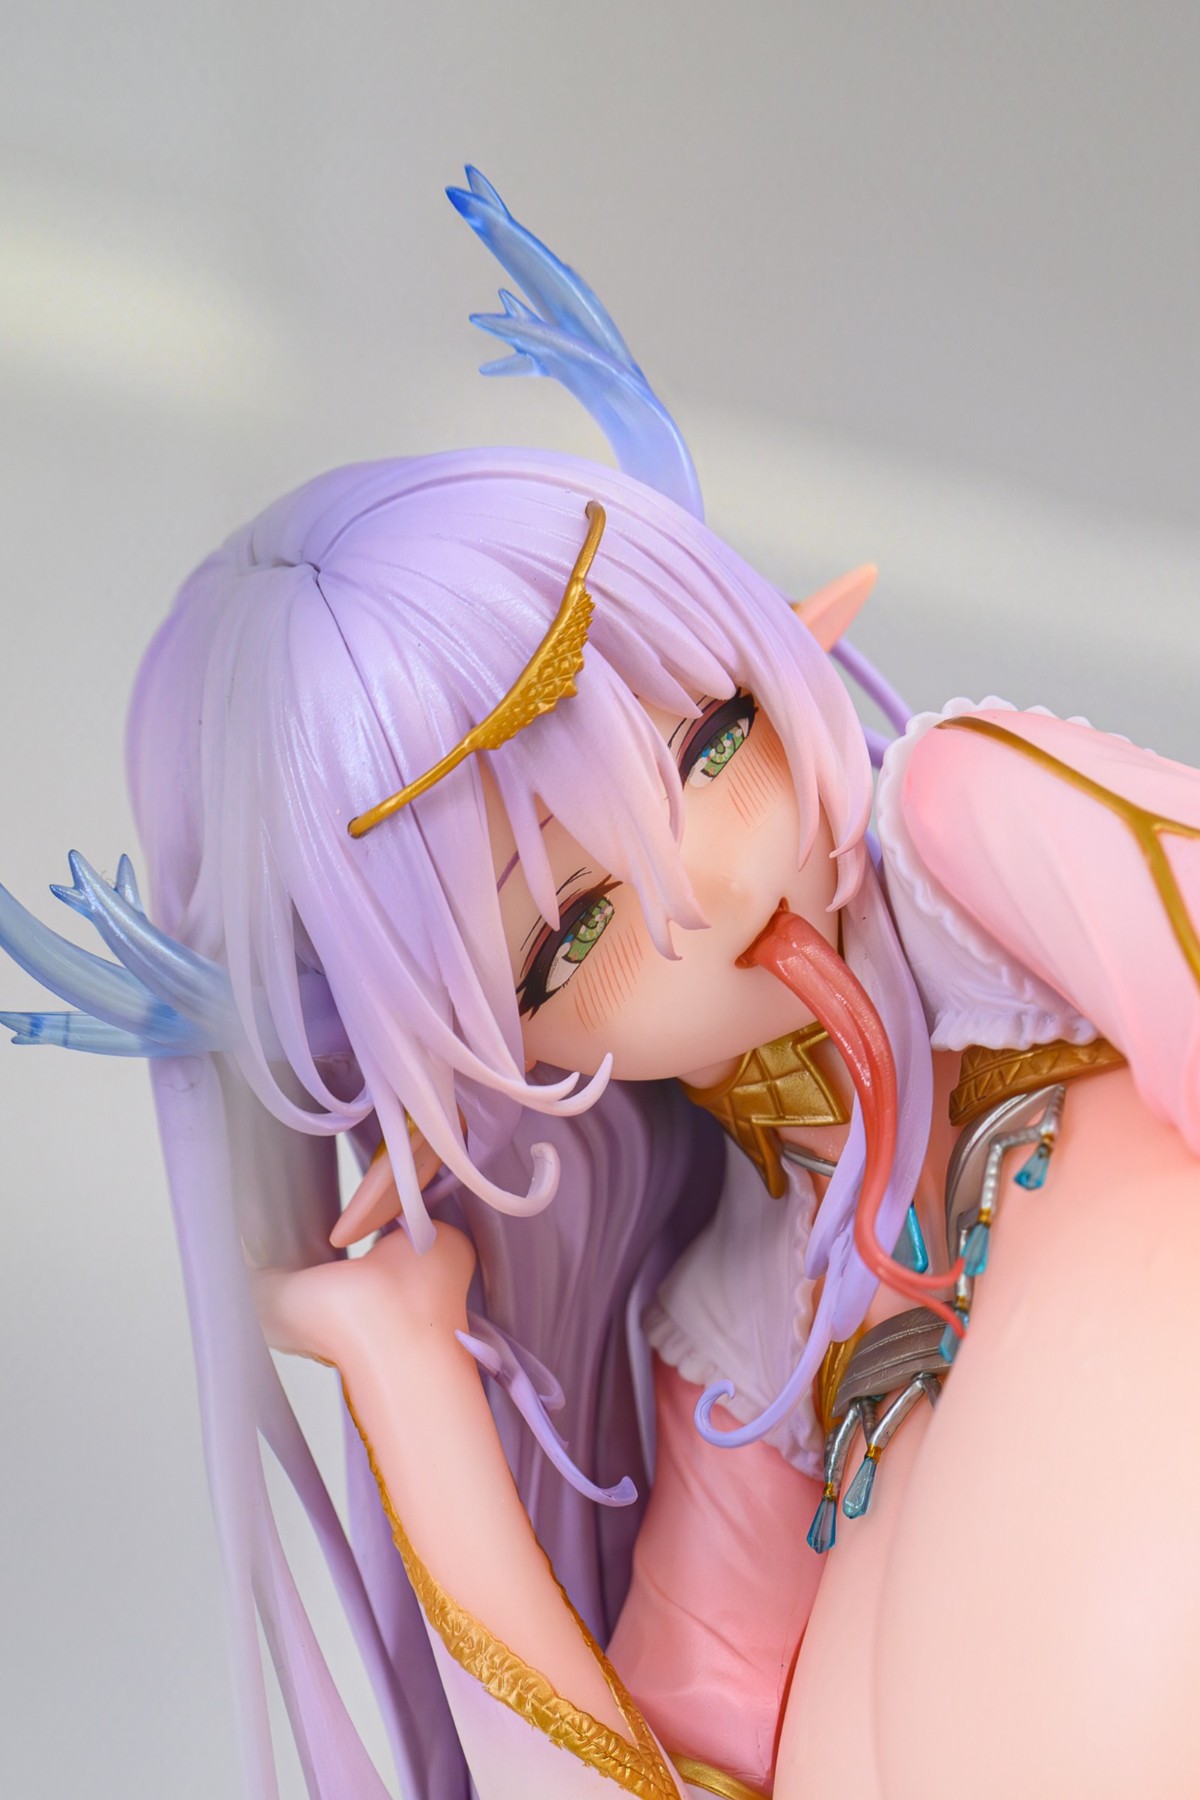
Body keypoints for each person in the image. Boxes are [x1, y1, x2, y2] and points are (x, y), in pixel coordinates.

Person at [4, 170, 1199, 1800]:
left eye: (713, 739)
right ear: (495, 1053)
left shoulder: (971, 841)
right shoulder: (736, 1331)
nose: (718, 878)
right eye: (573, 934)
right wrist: (405, 1367)